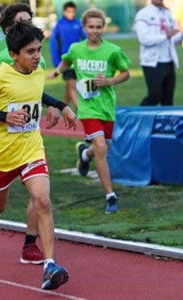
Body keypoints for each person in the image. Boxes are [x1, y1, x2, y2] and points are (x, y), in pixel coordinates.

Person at [0, 21, 73, 290]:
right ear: (14, 55)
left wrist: (62, 106)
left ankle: (50, 266)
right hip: (2, 154)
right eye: (30, 51)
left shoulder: (38, 72)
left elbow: (37, 92)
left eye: (38, 49)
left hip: (31, 149)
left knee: (43, 201)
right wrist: (5, 116)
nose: (37, 56)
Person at [48, 8, 131, 214]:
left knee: (104, 148)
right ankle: (110, 195)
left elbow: (126, 73)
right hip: (87, 108)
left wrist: (110, 81)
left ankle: (85, 154)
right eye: (90, 27)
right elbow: (67, 59)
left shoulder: (112, 51)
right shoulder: (77, 48)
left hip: (106, 107)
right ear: (83, 28)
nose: (94, 31)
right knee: (102, 148)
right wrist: (58, 70)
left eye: (98, 27)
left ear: (103, 28)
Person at [134, 0, 182, 106]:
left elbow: (173, 39)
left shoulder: (167, 13)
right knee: (154, 96)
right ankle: (139, 118)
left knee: (168, 99)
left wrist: (181, 33)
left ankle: (167, 122)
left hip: (169, 61)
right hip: (152, 62)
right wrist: (166, 36)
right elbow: (144, 39)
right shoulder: (143, 14)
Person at [49, 1, 87, 107]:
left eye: (73, 11)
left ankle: (63, 107)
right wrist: (56, 61)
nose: (71, 13)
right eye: (69, 11)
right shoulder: (59, 25)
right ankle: (80, 110)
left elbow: (86, 39)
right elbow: (53, 44)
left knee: (70, 87)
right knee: (71, 85)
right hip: (65, 60)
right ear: (64, 12)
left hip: (77, 60)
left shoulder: (78, 24)